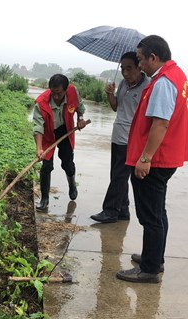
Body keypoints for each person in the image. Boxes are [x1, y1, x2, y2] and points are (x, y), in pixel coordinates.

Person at [115, 35, 188, 284]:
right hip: (167, 156)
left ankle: (149, 269)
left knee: (151, 216)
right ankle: (154, 257)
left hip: (156, 159)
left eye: (140, 60)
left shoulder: (163, 82)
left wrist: (145, 158)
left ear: (153, 57)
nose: (139, 65)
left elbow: (160, 123)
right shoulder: (177, 77)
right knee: (158, 211)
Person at [90, 52, 151, 223]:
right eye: (122, 68)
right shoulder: (124, 84)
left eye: (129, 68)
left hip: (132, 139)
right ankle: (123, 210)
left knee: (119, 176)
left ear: (139, 66)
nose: (125, 72)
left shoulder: (148, 86)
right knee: (117, 175)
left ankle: (110, 211)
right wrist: (110, 94)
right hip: (118, 136)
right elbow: (116, 107)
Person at [33, 74, 87, 211]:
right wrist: (39, 149)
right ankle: (44, 199)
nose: (56, 97)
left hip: (65, 130)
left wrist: (80, 119)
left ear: (66, 89)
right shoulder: (41, 103)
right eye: (53, 93)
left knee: (67, 163)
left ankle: (72, 184)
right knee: (46, 166)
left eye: (59, 93)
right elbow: (38, 127)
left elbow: (80, 108)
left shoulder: (73, 93)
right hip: (48, 133)